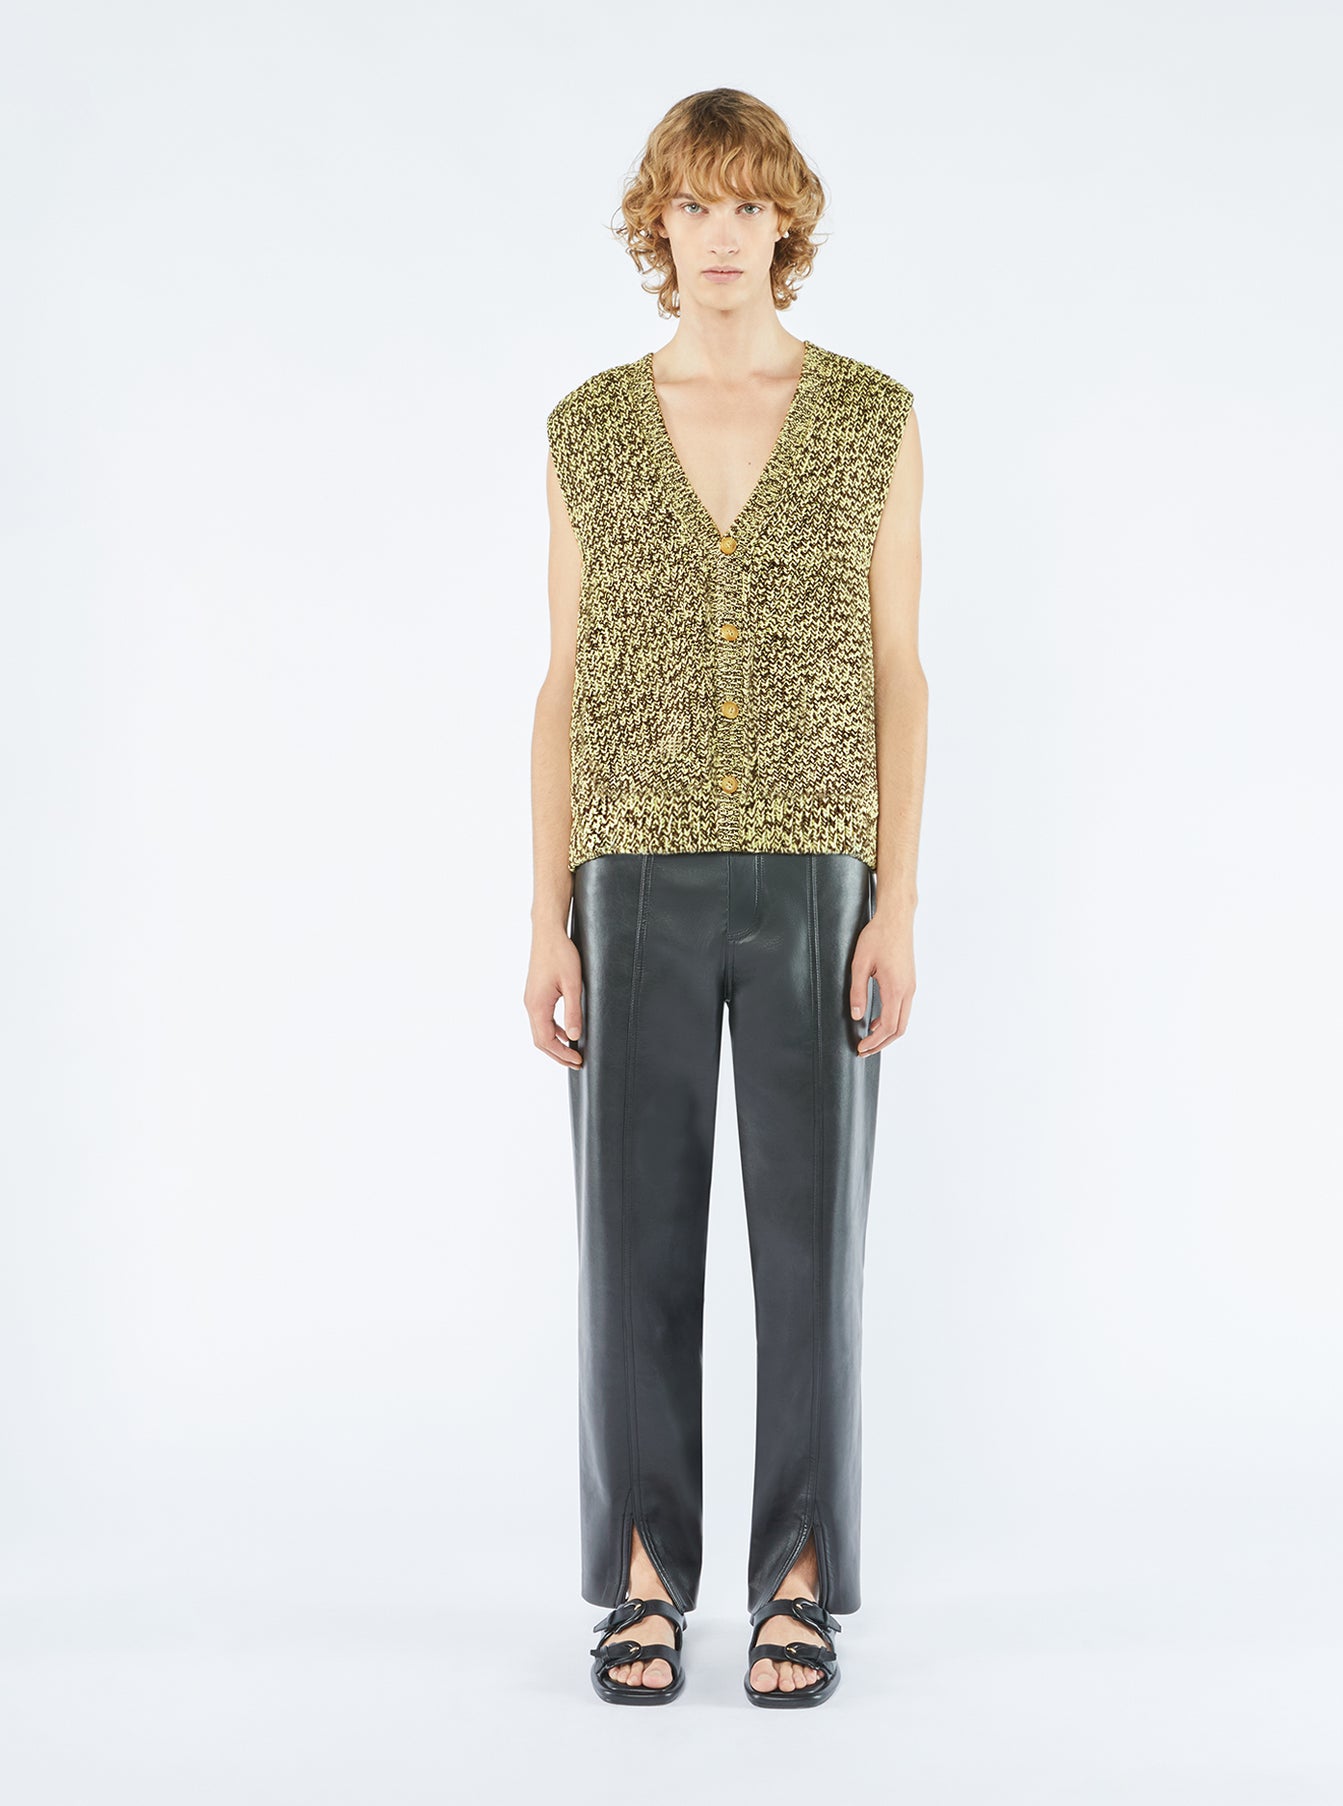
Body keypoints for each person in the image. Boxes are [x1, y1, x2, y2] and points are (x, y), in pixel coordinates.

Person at [525, 87, 926, 1708]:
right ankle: (641, 1573)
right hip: (628, 873)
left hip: (817, 874)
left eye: (748, 205)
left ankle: (800, 1576)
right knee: (630, 1245)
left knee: (808, 1248)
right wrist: (543, 916)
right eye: (691, 206)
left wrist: (896, 901)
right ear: (656, 227)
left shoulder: (873, 417)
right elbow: (562, 679)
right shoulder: (585, 426)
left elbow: (898, 669)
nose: (719, 236)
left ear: (786, 226)